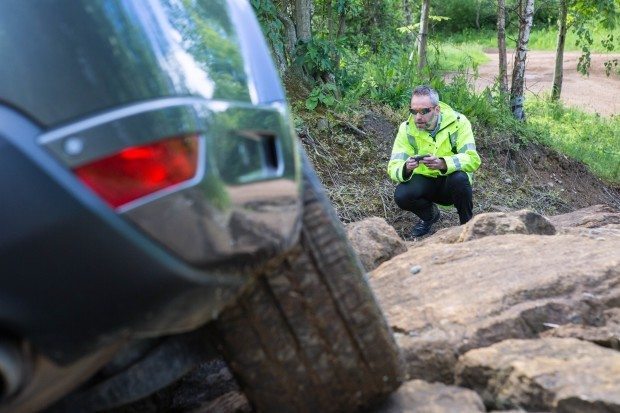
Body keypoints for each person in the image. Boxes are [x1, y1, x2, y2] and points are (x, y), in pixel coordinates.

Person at [387, 85, 481, 237]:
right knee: (402, 195)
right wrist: (406, 168)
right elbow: (393, 166)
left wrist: (444, 163)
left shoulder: (459, 122)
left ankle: (467, 225)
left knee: (460, 178)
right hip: (424, 182)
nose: (418, 117)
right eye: (413, 111)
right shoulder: (406, 128)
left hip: (450, 184)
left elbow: (472, 159)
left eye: (424, 111)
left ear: (437, 109)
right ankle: (429, 216)